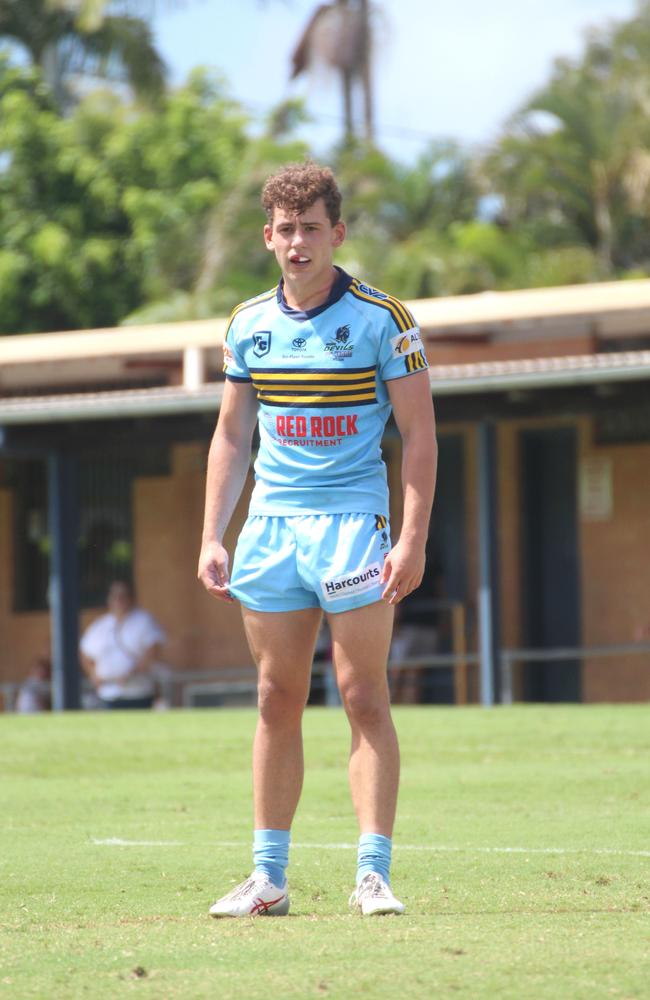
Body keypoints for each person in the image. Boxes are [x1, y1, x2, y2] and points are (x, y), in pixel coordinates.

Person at [197, 162, 437, 917]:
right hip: (270, 528)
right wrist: (213, 533)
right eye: (285, 229)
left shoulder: (382, 318)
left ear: (337, 233)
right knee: (275, 696)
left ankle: (374, 875)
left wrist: (413, 538)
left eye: (312, 229)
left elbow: (422, 435)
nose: (298, 243)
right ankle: (268, 877)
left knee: (363, 694)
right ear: (268, 236)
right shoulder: (247, 327)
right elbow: (232, 437)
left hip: (353, 525)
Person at [79, 580, 165, 709]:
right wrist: (93, 674)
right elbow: (85, 652)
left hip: (138, 693)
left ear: (131, 598)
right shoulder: (100, 625)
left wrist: (132, 673)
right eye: (114, 596)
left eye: (122, 595)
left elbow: (153, 651)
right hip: (107, 694)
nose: (118, 600)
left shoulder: (143, 620)